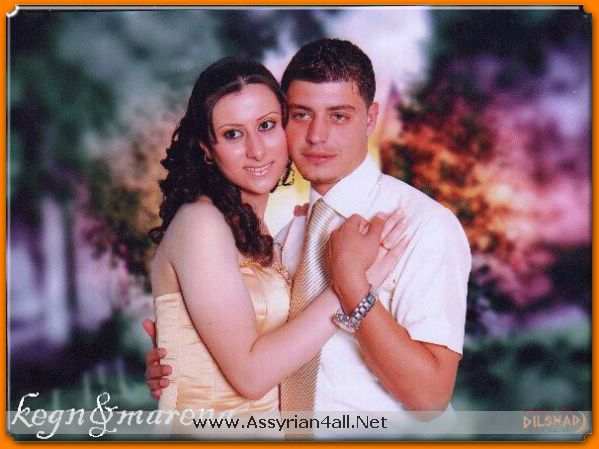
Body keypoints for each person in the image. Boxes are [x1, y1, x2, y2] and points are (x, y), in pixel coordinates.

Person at [146, 39, 471, 427]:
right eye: (301, 115)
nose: (317, 136)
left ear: (370, 119)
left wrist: (353, 286)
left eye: (338, 116)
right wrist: (187, 359)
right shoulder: (284, 236)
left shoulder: (419, 226)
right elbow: (255, 358)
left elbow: (430, 398)